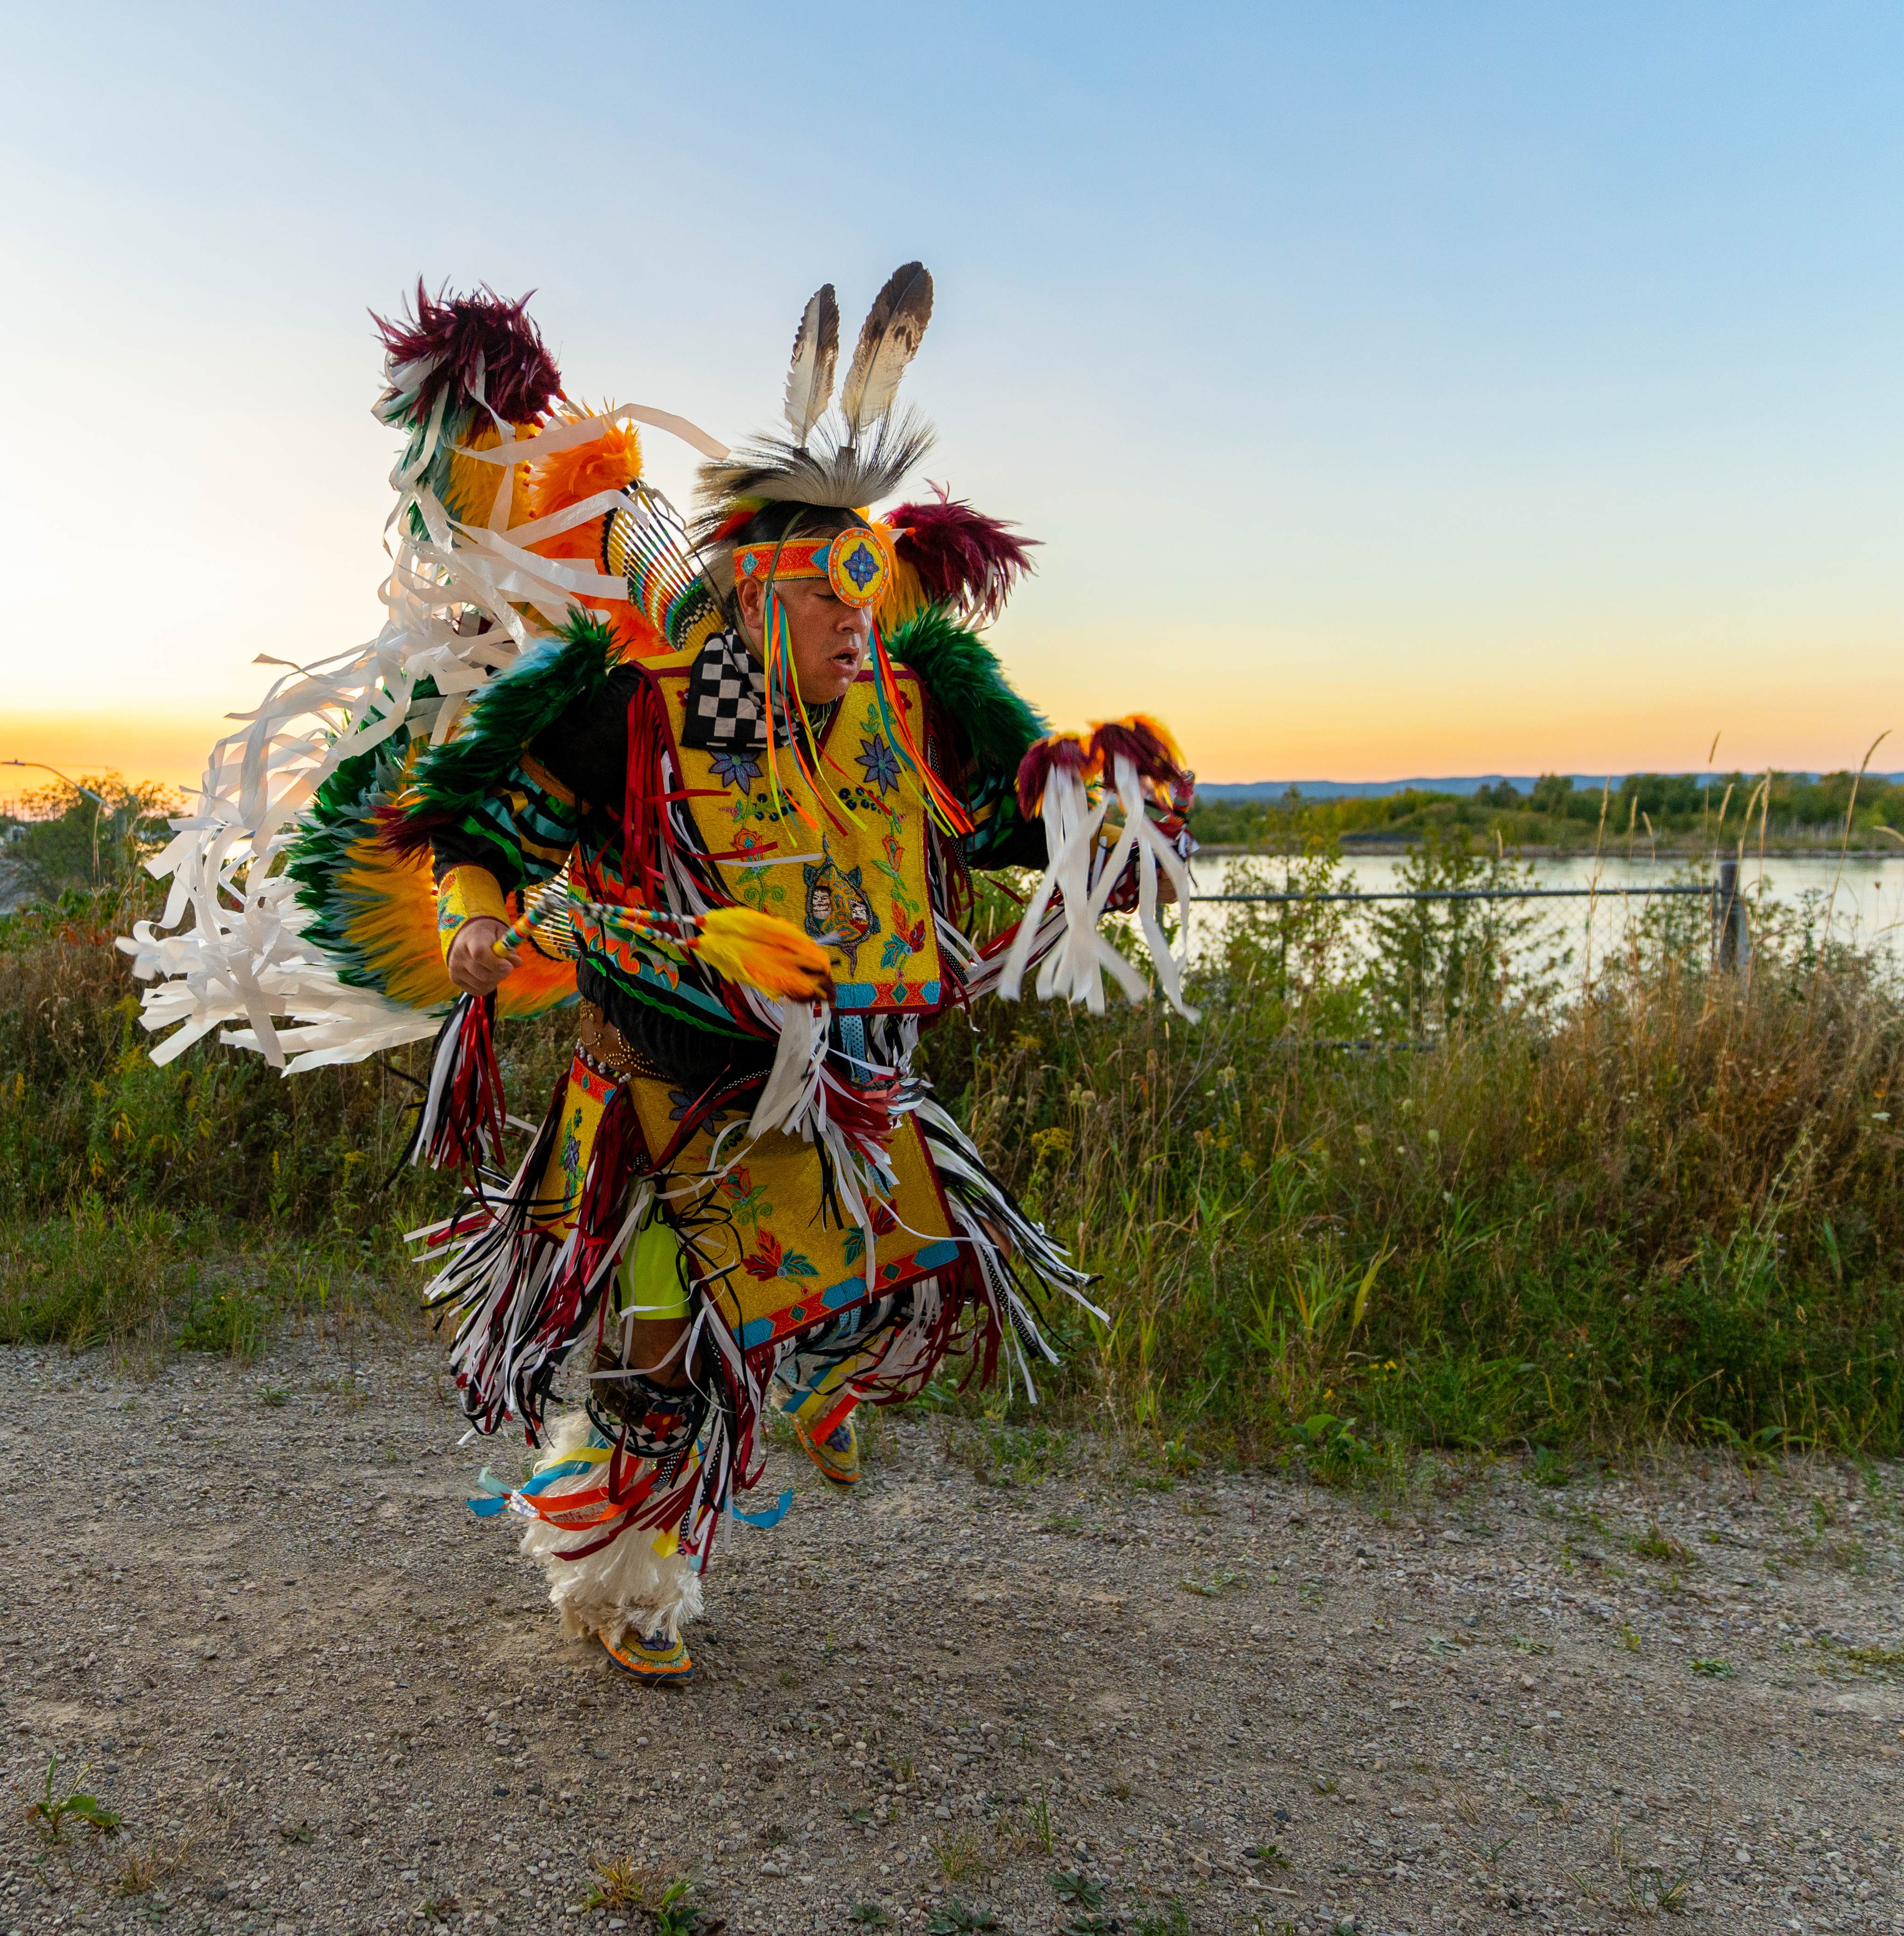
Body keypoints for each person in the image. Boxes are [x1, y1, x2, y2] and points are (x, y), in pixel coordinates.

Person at [125, 266, 1197, 1684]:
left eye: (868, 580)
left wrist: (1097, 807)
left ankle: (808, 1377)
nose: (857, 616)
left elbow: (1004, 828)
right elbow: (474, 829)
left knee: (896, 1281)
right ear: (758, 587)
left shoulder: (908, 700)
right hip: (666, 1085)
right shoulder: (632, 705)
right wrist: (482, 916)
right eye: (829, 589)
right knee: (660, 1366)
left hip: (844, 1093)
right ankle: (619, 1589)